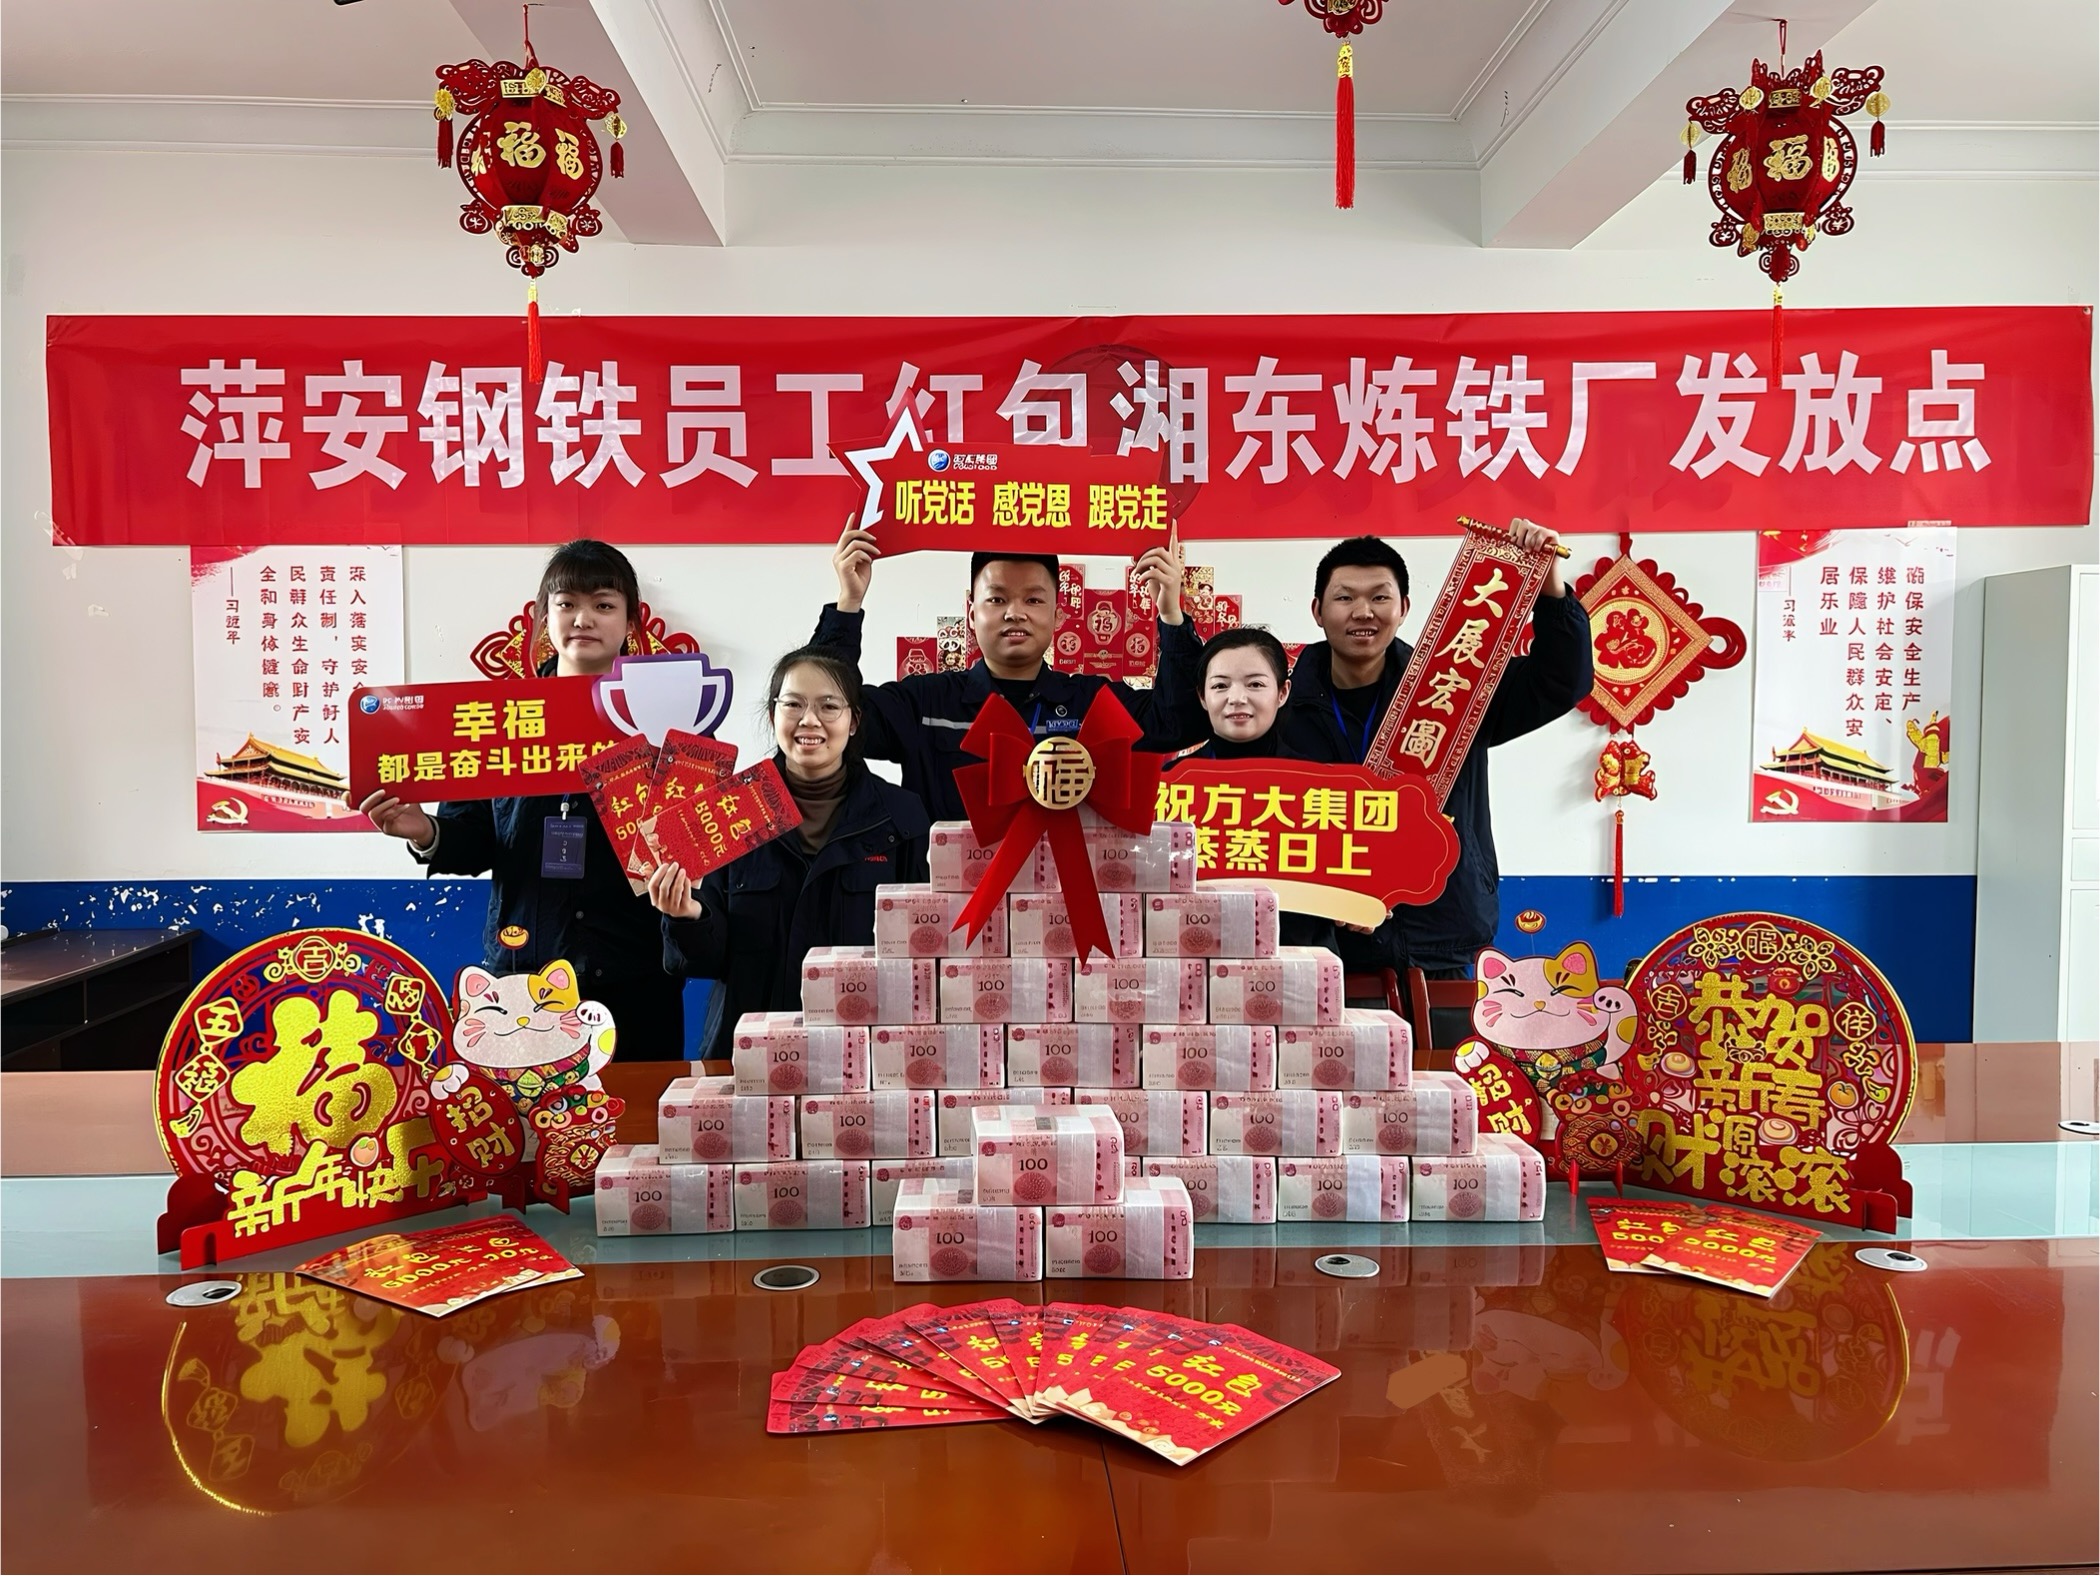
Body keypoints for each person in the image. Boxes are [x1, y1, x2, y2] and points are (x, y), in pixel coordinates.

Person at [354, 540, 689, 1057]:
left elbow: (690, 843)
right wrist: (424, 831)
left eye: (603, 605)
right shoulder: (497, 718)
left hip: (634, 976)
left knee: (638, 1109)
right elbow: (474, 842)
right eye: (567, 603)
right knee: (524, 1112)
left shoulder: (667, 721)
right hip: (522, 982)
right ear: (544, 618)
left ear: (630, 622)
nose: (583, 618)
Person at [1279, 523, 1593, 999]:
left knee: (1446, 1052)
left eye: (1380, 597)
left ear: (1404, 608)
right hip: (1325, 951)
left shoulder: (1457, 689)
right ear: (1318, 611)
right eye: (1344, 598)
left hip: (1440, 941)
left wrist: (1549, 589)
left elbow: (1561, 680)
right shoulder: (1279, 709)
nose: (1363, 611)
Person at [809, 522, 1207, 821]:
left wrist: (1171, 616)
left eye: (1033, 600)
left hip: (1063, 902)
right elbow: (828, 715)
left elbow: (1179, 724)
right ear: (972, 613)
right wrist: (848, 604)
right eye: (997, 599)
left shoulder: (1091, 704)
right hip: (951, 901)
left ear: (1058, 615)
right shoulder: (926, 703)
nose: (1015, 613)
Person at [650, 646, 930, 1060]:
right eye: (793, 704)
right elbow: (705, 962)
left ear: (854, 722)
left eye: (828, 706)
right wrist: (687, 916)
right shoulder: (728, 811)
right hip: (747, 1053)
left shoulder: (901, 816)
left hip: (859, 1056)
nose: (809, 720)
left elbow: (917, 956)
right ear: (772, 715)